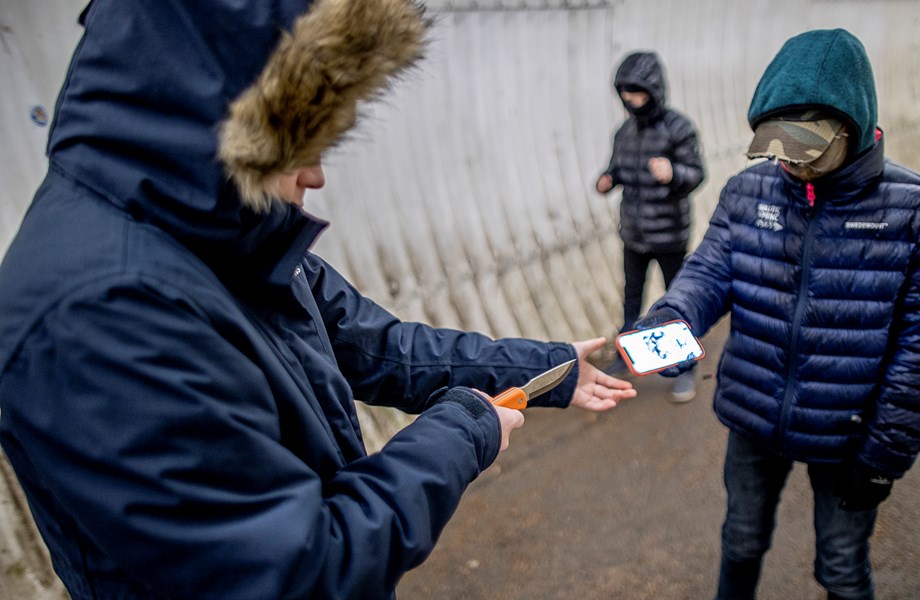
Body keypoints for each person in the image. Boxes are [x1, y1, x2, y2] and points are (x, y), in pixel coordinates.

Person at [0, 1, 635, 599]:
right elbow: (299, 573)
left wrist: (543, 370)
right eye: (297, 138)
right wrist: (466, 429)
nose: (316, 173)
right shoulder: (97, 313)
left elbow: (381, 349)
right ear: (217, 119)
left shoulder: (220, 233)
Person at [634, 29, 920, 599]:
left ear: (851, 127)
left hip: (850, 436)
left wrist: (885, 454)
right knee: (739, 540)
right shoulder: (746, 192)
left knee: (840, 566)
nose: (792, 165)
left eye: (806, 149)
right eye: (776, 146)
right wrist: (667, 325)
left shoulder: (918, 213)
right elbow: (708, 274)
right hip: (754, 415)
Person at [595, 51, 706, 402]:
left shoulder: (679, 127)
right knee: (631, 298)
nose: (630, 99)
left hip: (670, 234)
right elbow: (618, 168)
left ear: (653, 90)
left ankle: (684, 367)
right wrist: (608, 179)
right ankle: (625, 355)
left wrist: (674, 173)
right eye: (625, 92)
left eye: (637, 91)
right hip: (634, 233)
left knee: (677, 300)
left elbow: (696, 173)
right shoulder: (624, 132)